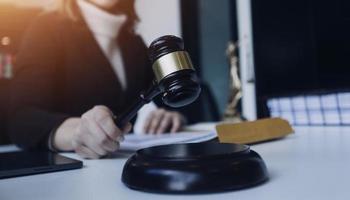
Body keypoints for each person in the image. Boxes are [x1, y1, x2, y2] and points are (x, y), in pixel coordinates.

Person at [8, 0, 185, 159]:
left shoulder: (133, 41)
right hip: (69, 173)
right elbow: (20, 117)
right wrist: (76, 132)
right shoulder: (46, 28)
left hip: (123, 165)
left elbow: (181, 94)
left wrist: (173, 115)